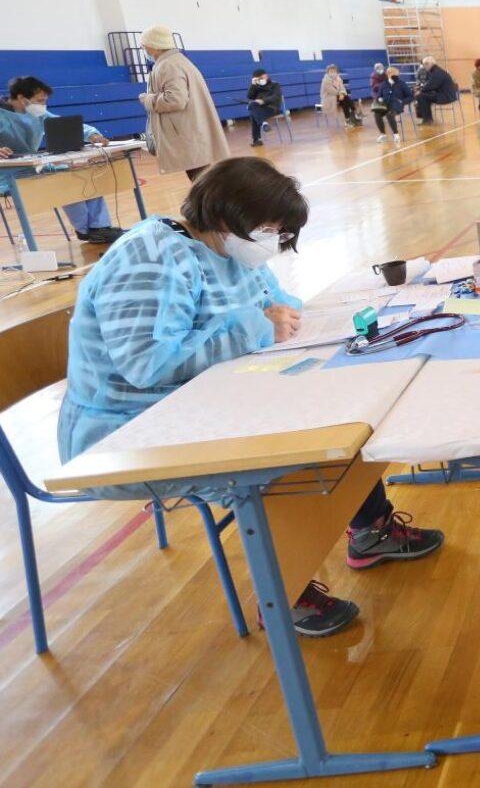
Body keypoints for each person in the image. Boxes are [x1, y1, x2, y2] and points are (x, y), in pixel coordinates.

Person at [57, 157, 445, 636]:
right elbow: (147, 364)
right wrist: (256, 326)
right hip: (126, 428)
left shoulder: (226, 249)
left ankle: (370, 528)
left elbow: (276, 304)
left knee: (338, 413)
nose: (273, 241)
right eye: (269, 229)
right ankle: (283, 591)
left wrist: (275, 320)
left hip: (206, 397)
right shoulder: (150, 259)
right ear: (228, 216)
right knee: (279, 455)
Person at [0, 76, 124, 244]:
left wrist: (92, 134)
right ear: (22, 98)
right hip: (6, 175)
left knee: (80, 173)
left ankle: (99, 227)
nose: (43, 105)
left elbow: (64, 124)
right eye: (40, 101)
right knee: (64, 181)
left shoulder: (37, 113)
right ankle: (85, 229)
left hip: (33, 166)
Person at [137, 26, 230, 182]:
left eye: (144, 45)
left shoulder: (168, 65)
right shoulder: (177, 61)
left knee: (202, 181)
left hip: (185, 132)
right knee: (203, 178)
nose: (144, 49)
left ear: (154, 45)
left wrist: (148, 99)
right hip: (191, 129)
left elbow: (175, 100)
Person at [414, 56, 458, 125]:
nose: (424, 66)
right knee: (422, 96)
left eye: (425, 64)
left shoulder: (437, 72)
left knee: (421, 96)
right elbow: (428, 84)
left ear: (430, 64)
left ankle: (427, 120)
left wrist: (420, 90)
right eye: (424, 64)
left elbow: (431, 85)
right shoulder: (434, 71)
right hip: (441, 94)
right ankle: (427, 119)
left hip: (446, 96)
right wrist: (420, 88)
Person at [246, 69, 283, 148]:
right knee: (252, 106)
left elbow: (276, 97)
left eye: (261, 78)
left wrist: (263, 101)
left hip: (272, 108)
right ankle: (264, 123)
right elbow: (249, 96)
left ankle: (257, 139)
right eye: (258, 79)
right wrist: (252, 85)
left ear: (266, 76)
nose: (260, 80)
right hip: (259, 109)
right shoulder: (256, 86)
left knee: (253, 112)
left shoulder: (275, 85)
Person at [373, 66, 410, 143]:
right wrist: (379, 99)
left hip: (396, 105)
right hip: (385, 104)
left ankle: (396, 134)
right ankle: (383, 135)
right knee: (377, 113)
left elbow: (410, 96)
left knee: (389, 113)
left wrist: (402, 101)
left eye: (392, 73)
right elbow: (378, 95)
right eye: (388, 73)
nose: (390, 74)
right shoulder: (383, 84)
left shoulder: (402, 84)